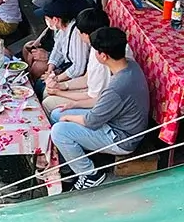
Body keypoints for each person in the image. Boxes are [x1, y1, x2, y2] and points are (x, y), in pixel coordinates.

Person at [50, 27, 149, 190]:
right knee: (57, 114)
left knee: (59, 130)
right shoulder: (130, 65)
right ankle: (69, 165)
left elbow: (91, 121)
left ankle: (90, 174)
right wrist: (73, 105)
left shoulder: (118, 87)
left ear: (103, 56)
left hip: (122, 137)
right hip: (116, 122)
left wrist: (69, 117)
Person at [42, 8, 134, 121]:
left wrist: (58, 92)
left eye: (79, 32)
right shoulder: (108, 42)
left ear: (86, 35)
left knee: (49, 103)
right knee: (48, 92)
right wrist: (61, 85)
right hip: (100, 96)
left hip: (101, 105)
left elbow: (94, 98)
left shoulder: (100, 58)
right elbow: (87, 78)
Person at [34, 0, 90, 97]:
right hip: (66, 68)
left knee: (44, 89)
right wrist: (50, 68)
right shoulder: (61, 30)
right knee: (39, 84)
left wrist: (56, 78)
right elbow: (57, 50)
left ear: (55, 19)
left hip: (79, 75)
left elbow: (79, 68)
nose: (46, 21)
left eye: (47, 19)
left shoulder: (77, 34)